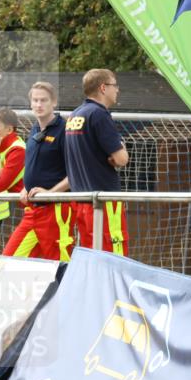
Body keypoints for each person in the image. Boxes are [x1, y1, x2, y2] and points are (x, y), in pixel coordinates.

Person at [2, 81, 76, 261]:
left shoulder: (65, 130)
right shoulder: (35, 129)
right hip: (33, 209)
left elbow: (76, 173)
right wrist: (26, 187)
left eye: (43, 100)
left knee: (60, 264)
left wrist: (51, 193)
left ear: (54, 102)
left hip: (56, 210)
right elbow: (36, 166)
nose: (38, 105)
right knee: (9, 260)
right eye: (35, 100)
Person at [64, 69, 129, 255]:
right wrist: (121, 148)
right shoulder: (99, 114)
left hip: (81, 200)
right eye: (114, 85)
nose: (117, 90)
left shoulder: (74, 116)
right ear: (103, 87)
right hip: (104, 201)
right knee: (113, 256)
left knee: (92, 254)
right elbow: (121, 159)